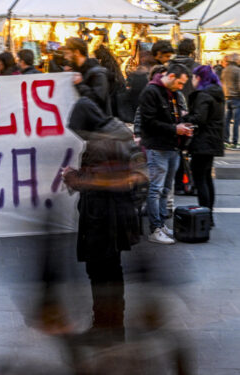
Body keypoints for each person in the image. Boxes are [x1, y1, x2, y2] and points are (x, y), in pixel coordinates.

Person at [63, 97, 140, 343]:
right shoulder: (118, 130)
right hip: (118, 214)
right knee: (112, 272)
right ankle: (113, 327)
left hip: (102, 217)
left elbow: (99, 180)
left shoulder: (100, 143)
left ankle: (106, 329)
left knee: (100, 273)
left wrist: (73, 177)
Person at [139, 63, 193, 244]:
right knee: (156, 189)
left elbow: (173, 118)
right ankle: (154, 228)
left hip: (172, 148)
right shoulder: (151, 92)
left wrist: (183, 126)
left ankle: (160, 224)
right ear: (171, 77)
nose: (181, 87)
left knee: (165, 190)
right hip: (158, 148)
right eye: (180, 83)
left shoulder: (174, 94)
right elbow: (149, 122)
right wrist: (175, 129)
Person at [184, 65, 225, 226]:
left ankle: (205, 216)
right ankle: (209, 215)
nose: (192, 81)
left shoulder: (204, 95)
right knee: (207, 178)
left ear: (199, 78)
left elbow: (200, 118)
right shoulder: (216, 93)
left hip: (203, 141)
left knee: (200, 179)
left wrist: (185, 117)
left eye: (194, 77)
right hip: (213, 141)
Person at [64, 37, 110, 115]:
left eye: (68, 53)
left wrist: (80, 84)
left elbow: (97, 102)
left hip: (95, 124)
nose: (65, 57)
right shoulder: (75, 70)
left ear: (77, 52)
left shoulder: (98, 73)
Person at [94, 44, 125, 116]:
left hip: (113, 101)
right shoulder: (112, 65)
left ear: (99, 59)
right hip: (119, 99)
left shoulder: (104, 70)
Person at [222, 53, 240, 148]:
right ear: (236, 60)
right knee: (236, 121)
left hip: (227, 97)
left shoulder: (225, 70)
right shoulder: (238, 70)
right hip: (236, 98)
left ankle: (225, 140)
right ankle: (235, 141)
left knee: (227, 121)